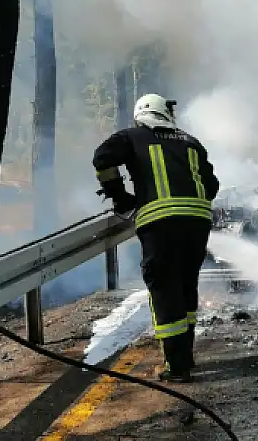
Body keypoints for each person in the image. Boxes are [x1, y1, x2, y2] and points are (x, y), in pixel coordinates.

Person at [92, 93, 219, 383]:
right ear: (166, 114)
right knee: (187, 285)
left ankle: (177, 367)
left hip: (160, 224)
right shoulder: (192, 142)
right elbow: (211, 185)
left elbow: (102, 158)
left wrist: (120, 195)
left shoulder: (131, 137)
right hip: (198, 222)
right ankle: (185, 356)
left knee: (164, 289)